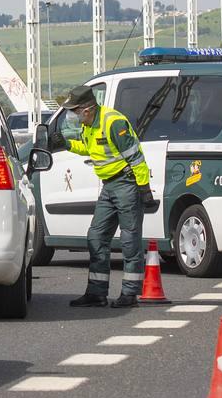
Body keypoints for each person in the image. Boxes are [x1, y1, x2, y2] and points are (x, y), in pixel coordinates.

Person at [47, 85, 156, 309]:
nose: (73, 116)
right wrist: (66, 144)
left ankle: (130, 294)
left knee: (129, 240)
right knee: (96, 237)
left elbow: (135, 157)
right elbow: (90, 149)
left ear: (87, 110)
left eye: (75, 111)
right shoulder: (89, 125)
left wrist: (144, 188)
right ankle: (96, 293)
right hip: (109, 187)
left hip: (127, 184)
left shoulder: (113, 122)